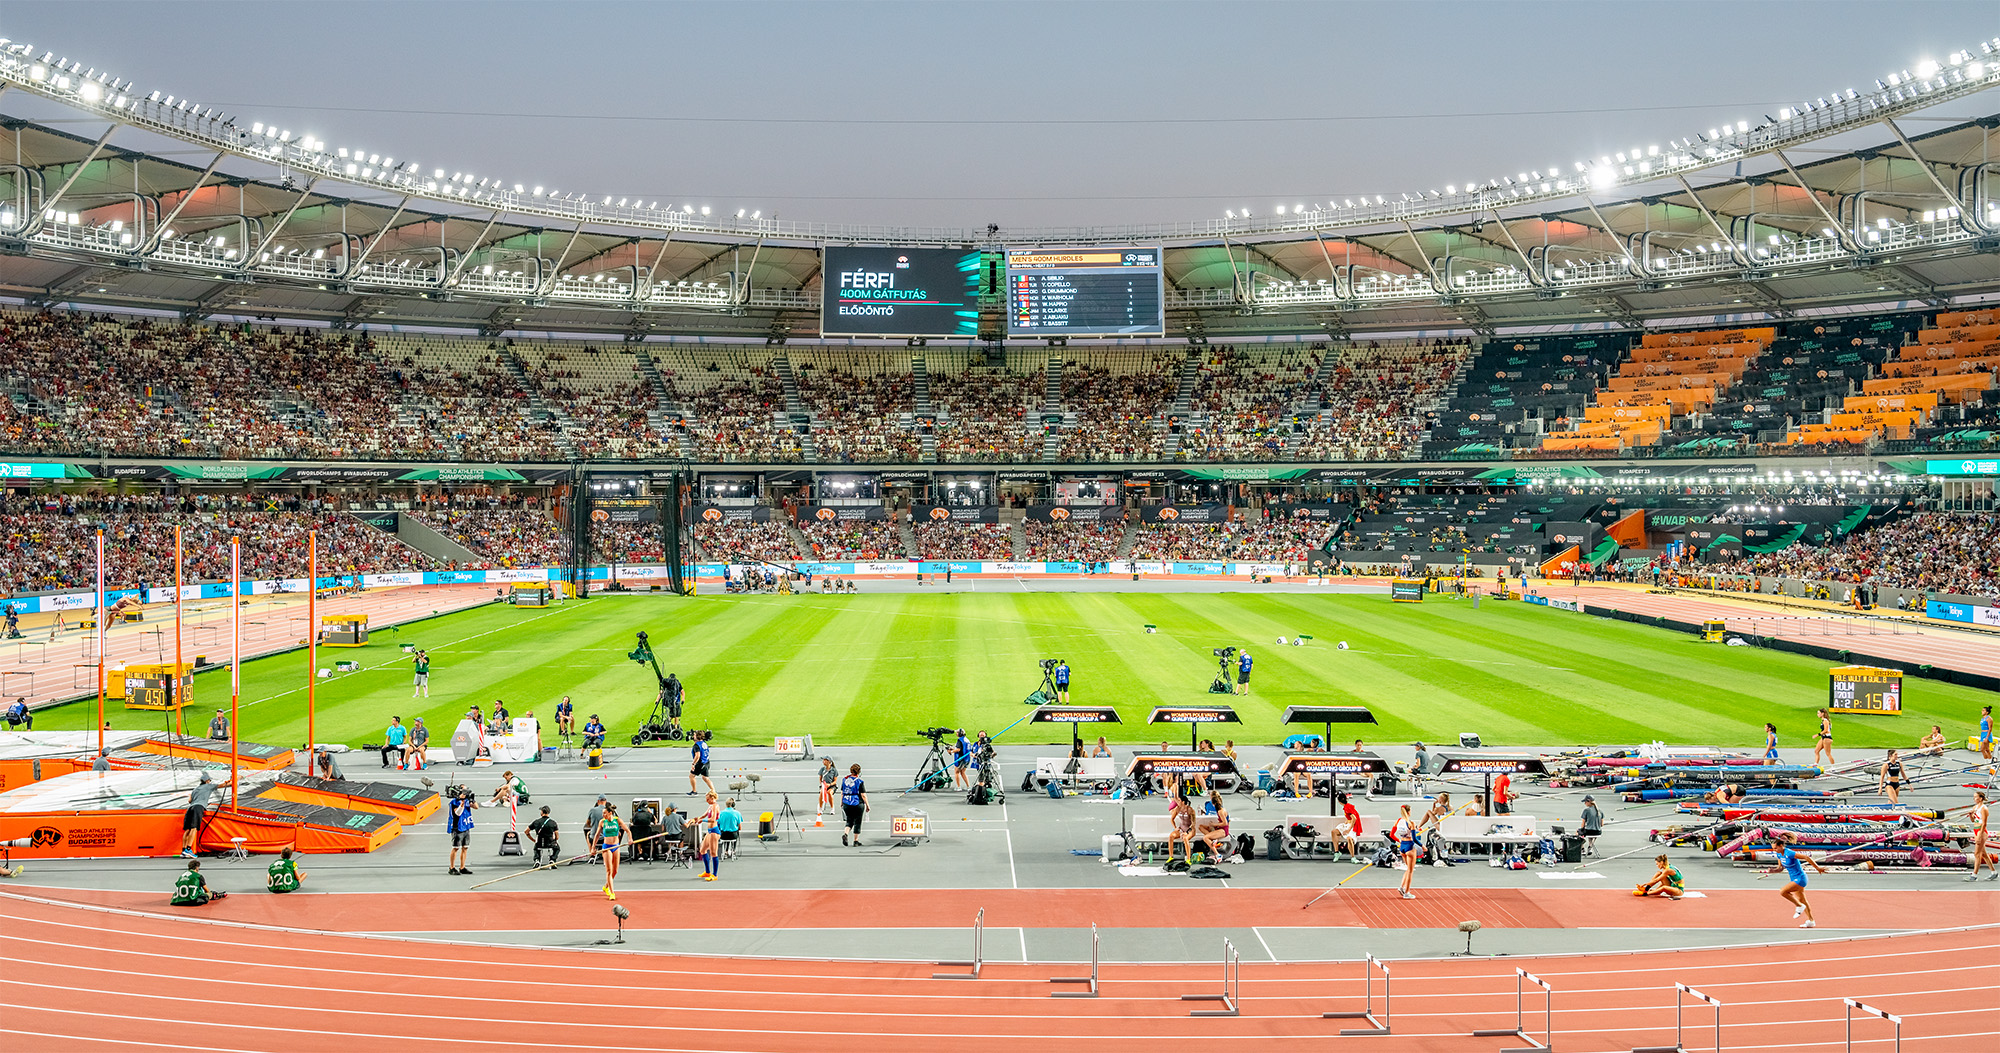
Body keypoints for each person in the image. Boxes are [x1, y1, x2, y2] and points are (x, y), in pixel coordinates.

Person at [1776, 837, 1826, 928]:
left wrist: (1817, 868)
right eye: (1773, 848)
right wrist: (1772, 870)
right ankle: (1811, 921)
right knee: (1802, 900)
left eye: (1776, 848)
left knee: (1783, 891)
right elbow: (1780, 868)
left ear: (1781, 846)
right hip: (1793, 879)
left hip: (1800, 878)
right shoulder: (1779, 855)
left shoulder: (1790, 853)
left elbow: (1806, 857)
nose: (1774, 850)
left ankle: (1799, 906)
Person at [180, 772, 219, 858]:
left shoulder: (195, 789)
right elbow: (223, 785)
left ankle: (183, 850)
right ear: (207, 781)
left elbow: (189, 801)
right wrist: (235, 779)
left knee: (187, 830)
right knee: (194, 828)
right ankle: (188, 849)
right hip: (198, 807)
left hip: (190, 808)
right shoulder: (209, 786)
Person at [1391, 804, 1420, 899]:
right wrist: (1422, 846)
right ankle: (1407, 892)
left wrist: (1399, 840)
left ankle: (1401, 887)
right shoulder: (1411, 823)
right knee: (1411, 871)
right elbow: (1415, 839)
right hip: (1410, 846)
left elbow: (1391, 835)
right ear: (1408, 812)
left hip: (1402, 847)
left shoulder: (1398, 821)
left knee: (1408, 869)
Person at [445, 789, 476, 876]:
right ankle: (452, 867)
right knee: (456, 848)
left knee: (465, 847)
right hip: (457, 828)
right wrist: (462, 804)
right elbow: (458, 813)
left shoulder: (467, 801)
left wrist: (472, 800)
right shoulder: (454, 802)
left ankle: (462, 867)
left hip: (466, 827)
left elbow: (476, 807)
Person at [597, 802, 623, 900]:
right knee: (609, 870)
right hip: (606, 847)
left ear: (610, 813)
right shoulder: (602, 822)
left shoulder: (617, 820)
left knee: (615, 871)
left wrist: (630, 839)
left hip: (616, 846)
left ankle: (606, 886)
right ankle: (612, 893)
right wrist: (593, 848)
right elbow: (597, 835)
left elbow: (627, 830)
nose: (603, 815)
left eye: (604, 813)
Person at [839, 763, 869, 846]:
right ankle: (856, 841)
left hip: (846, 802)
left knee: (849, 821)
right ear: (858, 772)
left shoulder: (844, 780)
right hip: (857, 803)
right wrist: (867, 805)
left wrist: (841, 802)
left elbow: (842, 793)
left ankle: (845, 834)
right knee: (857, 822)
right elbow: (863, 795)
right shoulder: (859, 782)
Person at [696, 792, 723, 881]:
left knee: (713, 853)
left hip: (714, 832)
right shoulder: (710, 806)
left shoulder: (715, 806)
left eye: (708, 799)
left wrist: (702, 820)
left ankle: (714, 874)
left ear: (712, 798)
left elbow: (712, 819)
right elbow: (704, 815)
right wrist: (697, 819)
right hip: (710, 831)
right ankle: (707, 872)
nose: (706, 801)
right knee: (702, 850)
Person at [1969, 790, 1994, 882]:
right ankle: (1994, 872)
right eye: (1974, 797)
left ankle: (1974, 875)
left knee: (1977, 854)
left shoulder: (1984, 808)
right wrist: (1971, 815)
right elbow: (1973, 820)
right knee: (1983, 854)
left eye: (1976, 797)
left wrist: (1979, 835)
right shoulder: (1975, 807)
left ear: (1981, 798)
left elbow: (1984, 823)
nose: (1974, 799)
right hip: (1976, 829)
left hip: (1981, 831)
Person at [688, 730, 714, 796]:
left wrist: (693, 764)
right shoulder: (704, 743)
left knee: (692, 776)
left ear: (697, 737)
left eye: (694, 735)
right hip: (707, 762)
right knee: (705, 778)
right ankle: (713, 790)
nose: (693, 736)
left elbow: (697, 756)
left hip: (700, 763)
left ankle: (694, 791)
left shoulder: (696, 746)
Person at [1980, 706, 1995, 776]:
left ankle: (1988, 763)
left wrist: (1987, 737)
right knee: (1986, 749)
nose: (1982, 711)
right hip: (1982, 733)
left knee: (1983, 749)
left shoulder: (1989, 719)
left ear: (1987, 712)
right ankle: (1988, 763)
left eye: (1983, 711)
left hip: (1986, 734)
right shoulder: (1983, 718)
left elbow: (1990, 728)